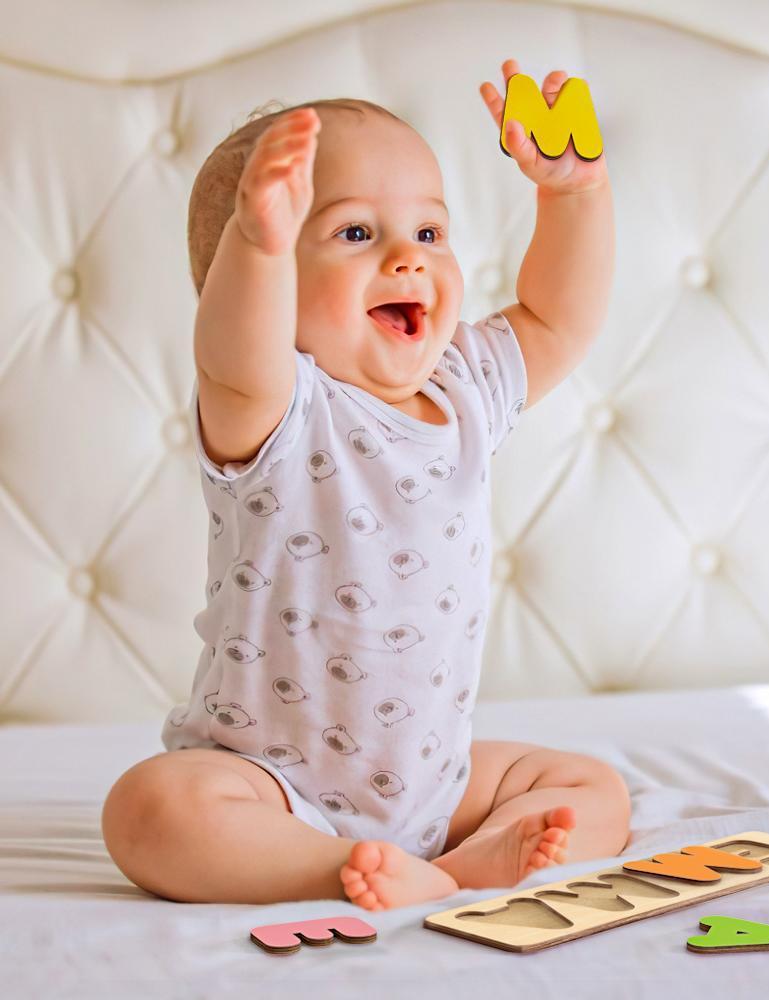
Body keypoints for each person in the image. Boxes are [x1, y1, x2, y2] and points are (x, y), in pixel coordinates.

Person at [102, 61, 627, 910]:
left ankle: (461, 865)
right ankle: (324, 867)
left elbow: (556, 318)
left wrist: (575, 196)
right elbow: (232, 353)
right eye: (354, 234)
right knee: (152, 811)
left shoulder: (465, 390)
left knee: (590, 786)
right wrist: (257, 244)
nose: (406, 261)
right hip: (270, 784)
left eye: (428, 234)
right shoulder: (276, 406)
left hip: (433, 782)